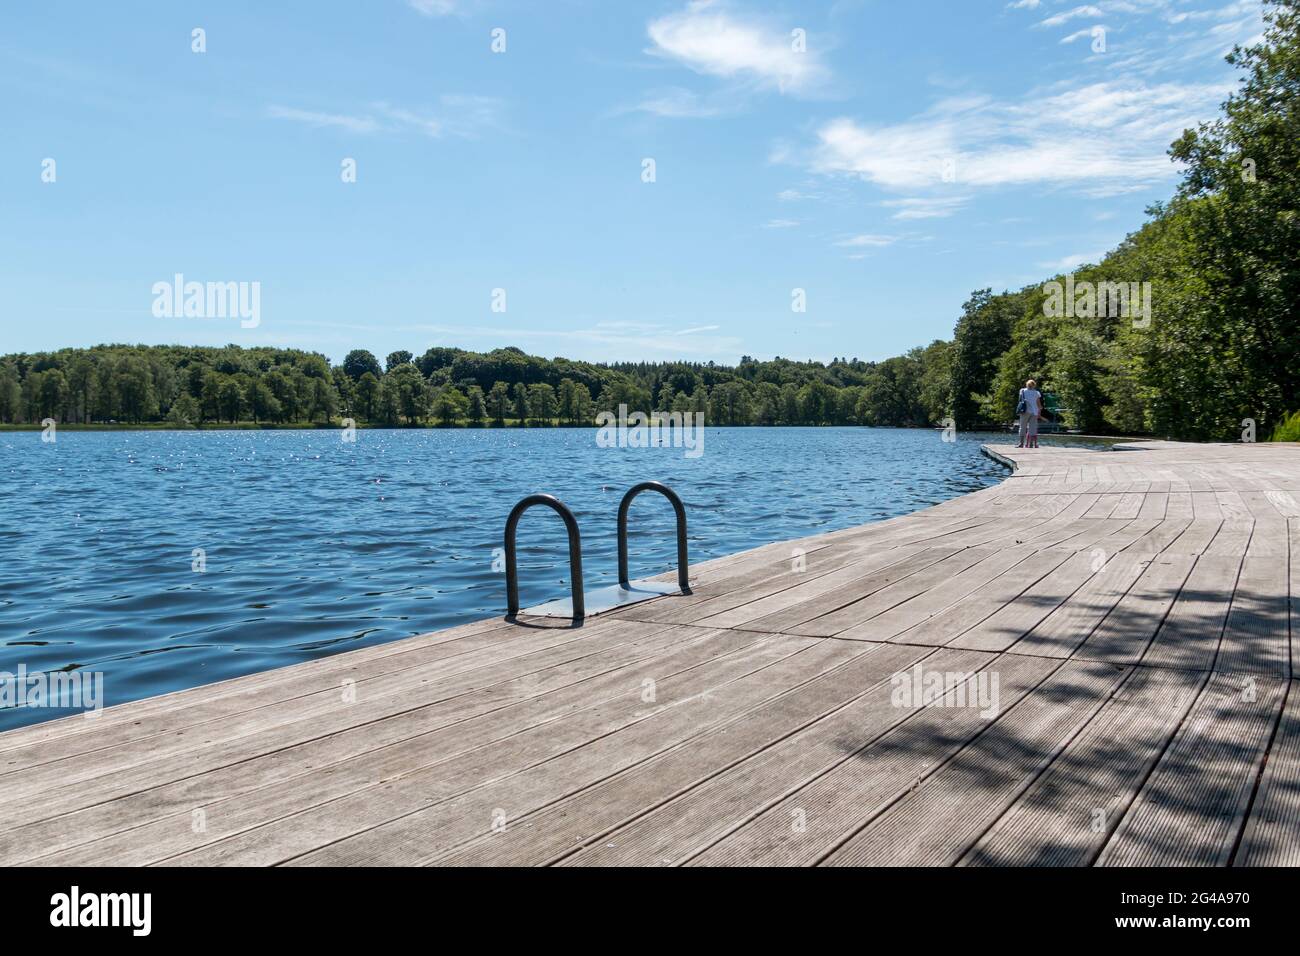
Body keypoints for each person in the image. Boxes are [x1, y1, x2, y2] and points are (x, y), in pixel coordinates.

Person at [1017, 379, 1043, 448]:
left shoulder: (1022, 391)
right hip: (1034, 412)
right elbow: (1038, 403)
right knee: (1032, 428)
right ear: (1034, 385)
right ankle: (1030, 444)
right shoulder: (1037, 393)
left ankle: (1021, 443)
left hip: (1025, 411)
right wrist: (1039, 410)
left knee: (1022, 427)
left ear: (1027, 384)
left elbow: (1020, 400)